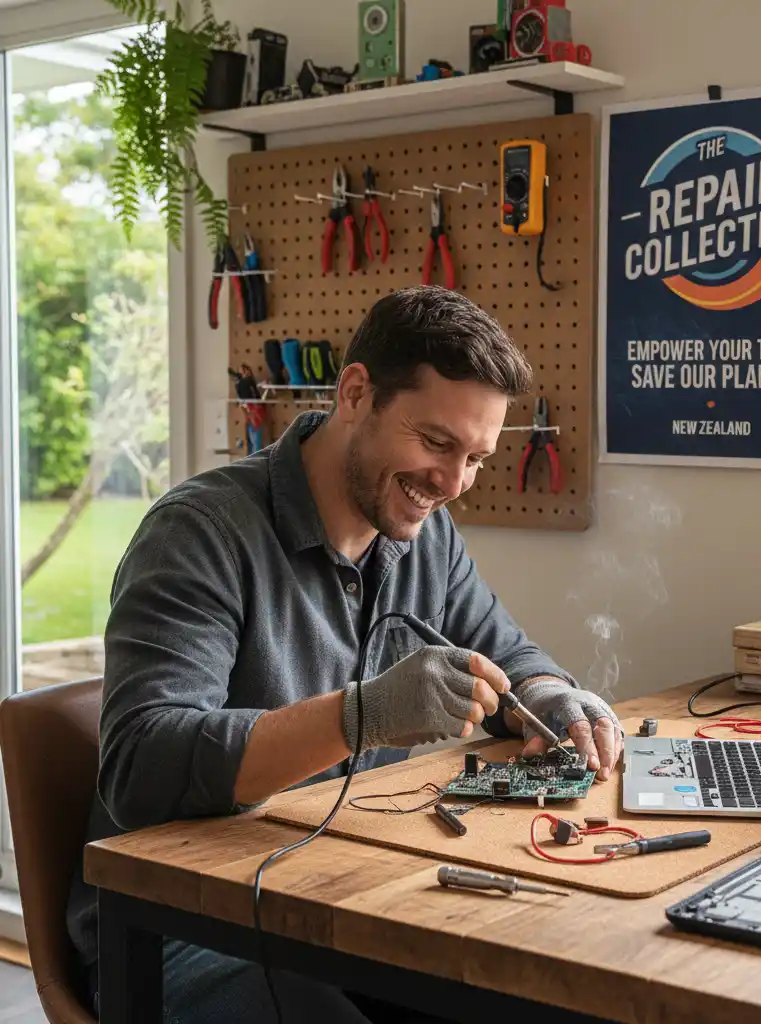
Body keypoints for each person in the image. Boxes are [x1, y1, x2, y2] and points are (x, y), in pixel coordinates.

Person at [66, 285, 624, 1023]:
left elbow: (508, 654)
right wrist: (364, 715)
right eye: (435, 443)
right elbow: (141, 764)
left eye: (477, 459)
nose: (454, 484)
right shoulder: (200, 534)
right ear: (355, 393)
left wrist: (552, 695)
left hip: (346, 894)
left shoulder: (424, 540)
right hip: (181, 926)